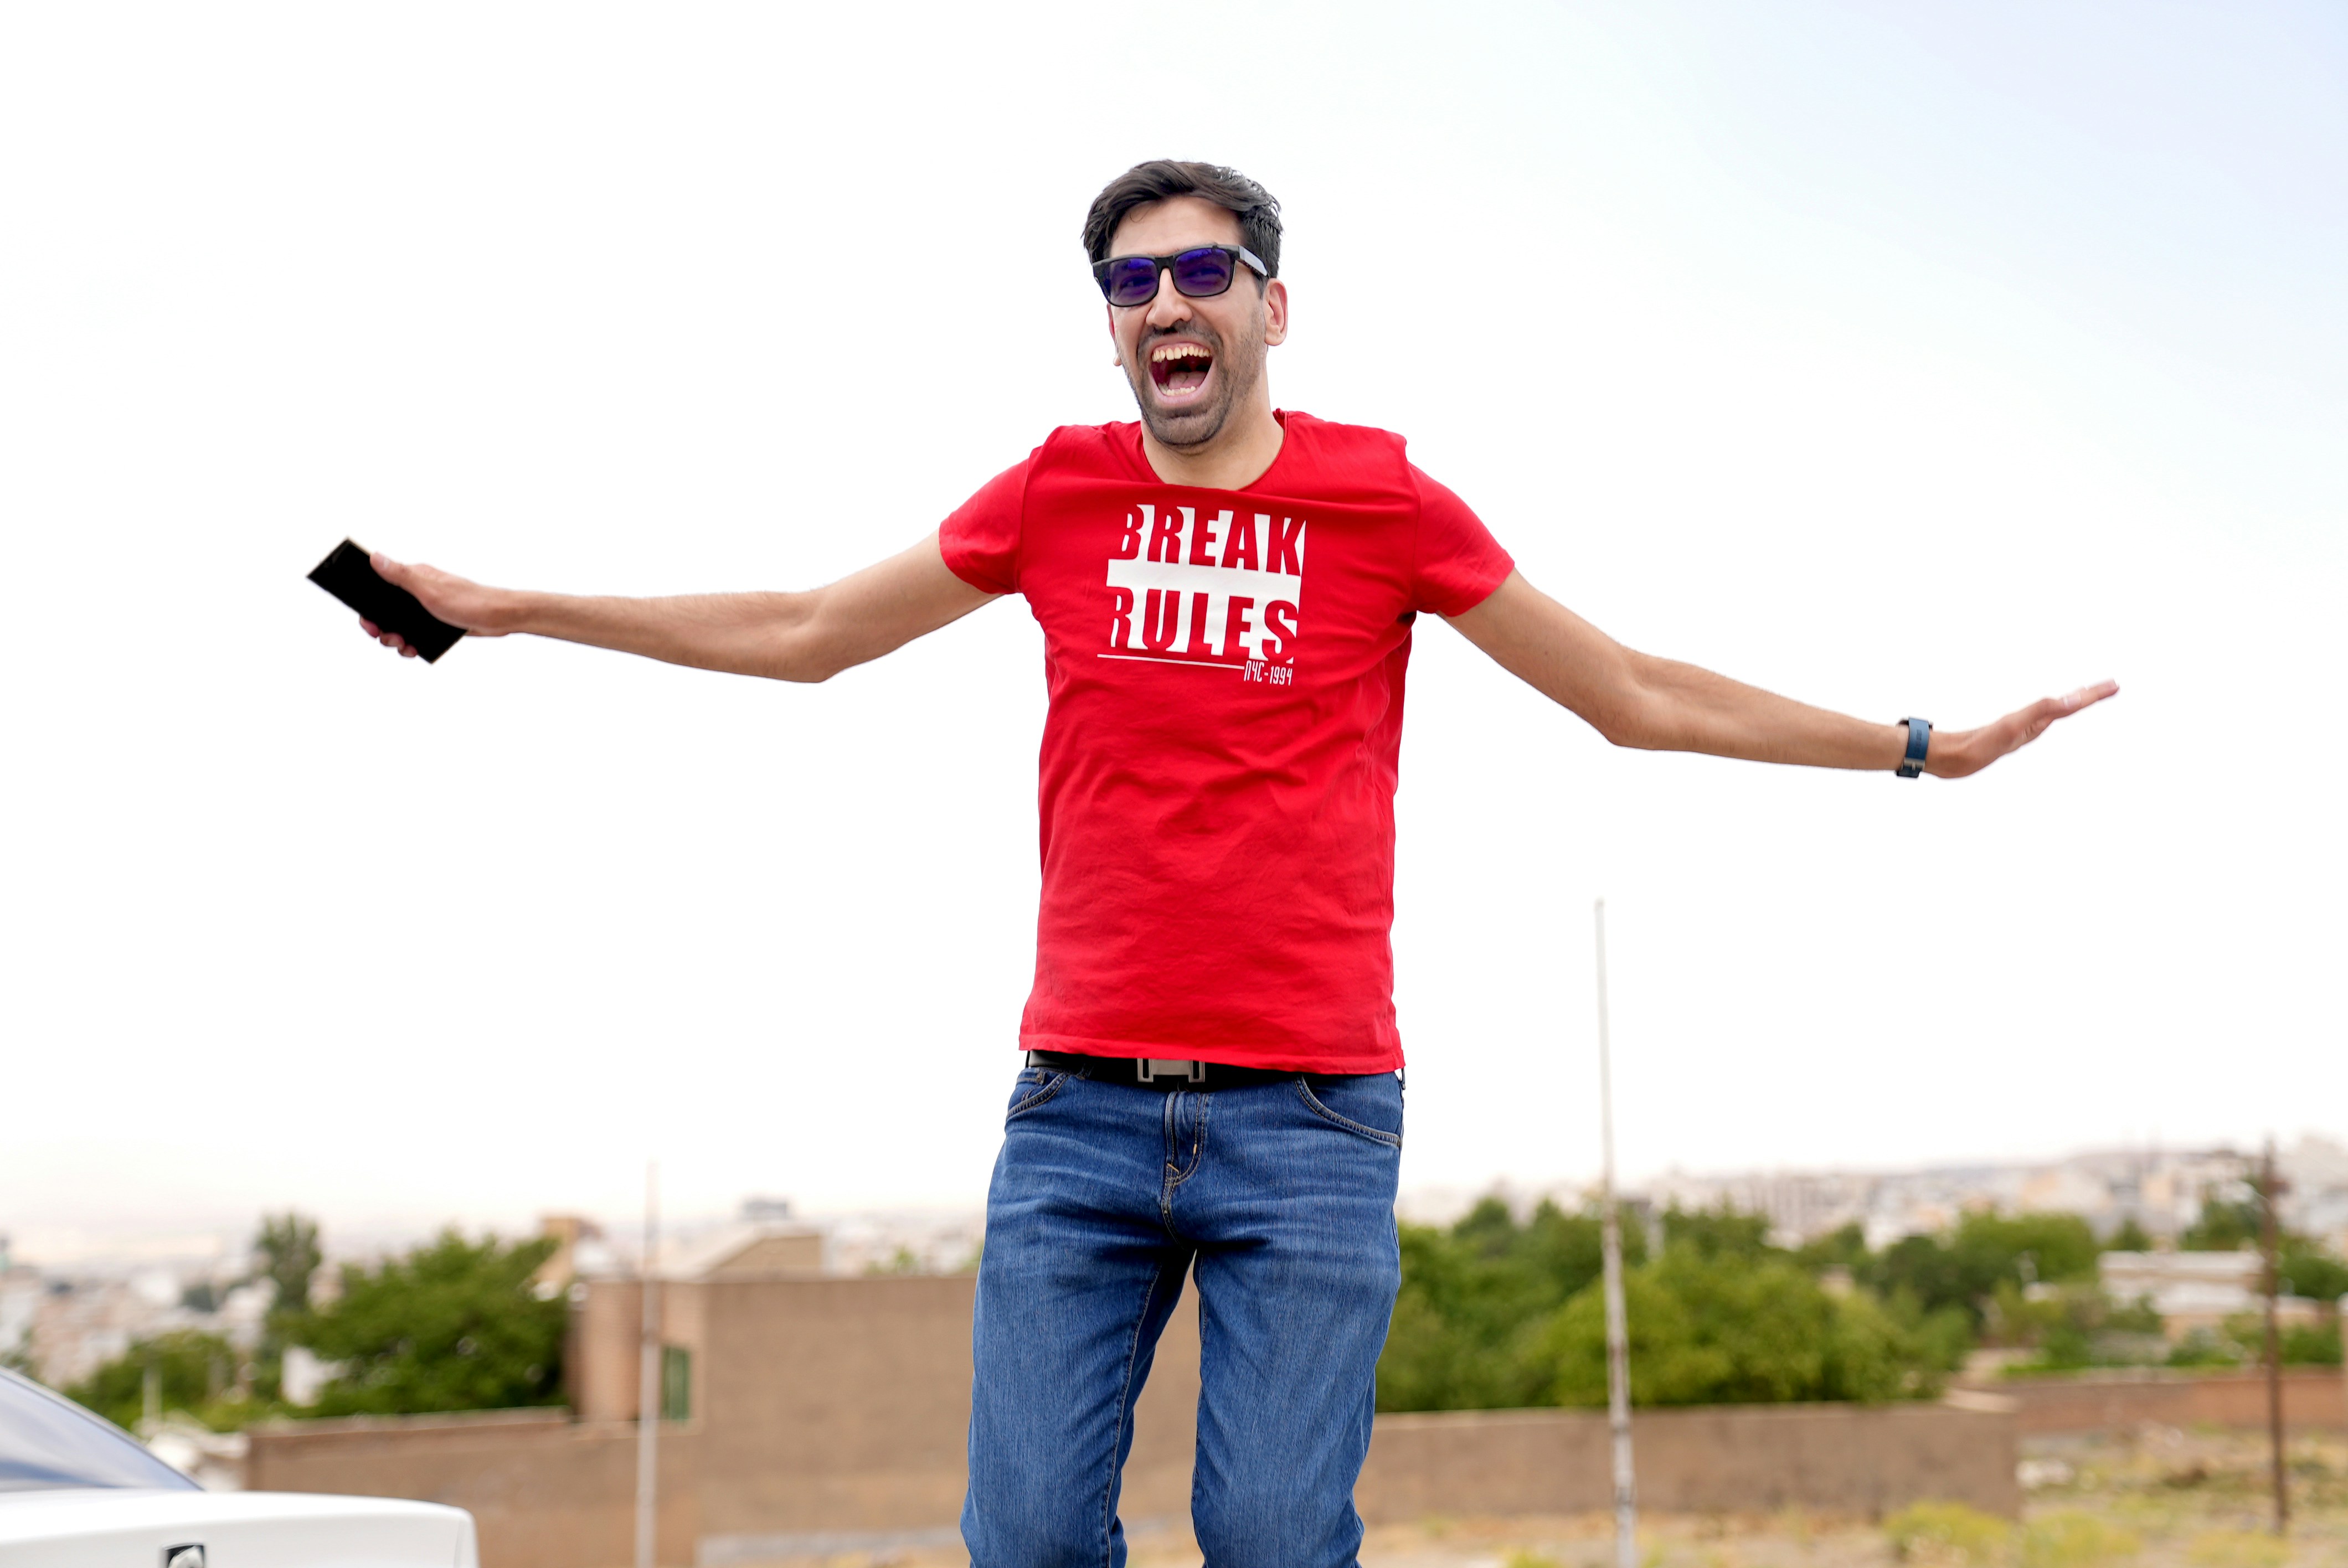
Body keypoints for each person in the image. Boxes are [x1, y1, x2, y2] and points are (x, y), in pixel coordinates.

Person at [354, 160, 2114, 1568]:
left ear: (1273, 306)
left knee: (1274, 1535)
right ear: (1113, 336)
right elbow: (811, 626)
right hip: (1082, 1112)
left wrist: (1920, 746)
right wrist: (519, 610)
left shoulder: (1386, 504)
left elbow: (1634, 693)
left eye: (1200, 274)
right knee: (1031, 1536)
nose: (1165, 306)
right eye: (1130, 287)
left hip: (1314, 1119)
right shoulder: (1054, 492)